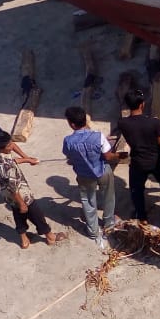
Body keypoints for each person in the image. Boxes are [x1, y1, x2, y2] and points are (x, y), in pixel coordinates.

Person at [0, 130, 63, 248]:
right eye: (8, 145)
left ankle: (24, 240)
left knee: (18, 215)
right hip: (20, 194)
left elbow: (12, 160)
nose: (11, 145)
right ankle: (50, 236)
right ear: (2, 147)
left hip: (7, 194)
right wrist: (22, 203)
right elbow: (13, 188)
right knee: (36, 214)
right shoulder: (6, 167)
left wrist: (27, 159)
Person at [62, 106, 120, 247]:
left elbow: (69, 156)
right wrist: (119, 155)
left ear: (72, 124)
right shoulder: (98, 136)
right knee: (108, 196)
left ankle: (93, 231)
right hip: (103, 170)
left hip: (84, 175)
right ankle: (109, 224)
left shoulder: (68, 141)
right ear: (85, 120)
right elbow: (107, 156)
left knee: (88, 201)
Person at [112, 89, 160, 227]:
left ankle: (142, 217)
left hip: (138, 162)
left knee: (136, 191)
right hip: (156, 160)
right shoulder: (154, 123)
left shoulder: (123, 123)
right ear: (142, 104)